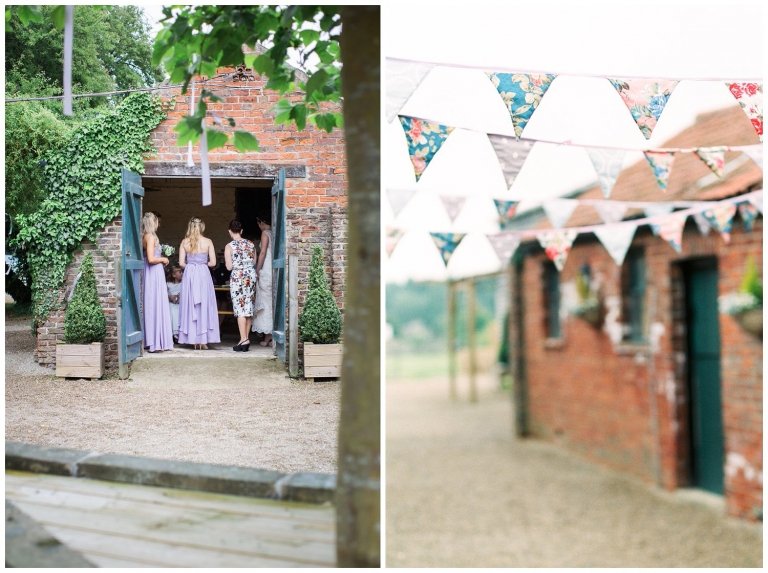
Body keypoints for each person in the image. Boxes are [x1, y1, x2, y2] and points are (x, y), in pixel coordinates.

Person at [178, 217, 220, 349]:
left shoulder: (184, 242)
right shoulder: (208, 242)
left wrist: (192, 265)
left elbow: (181, 263)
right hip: (203, 274)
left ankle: (192, 339)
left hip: (190, 274)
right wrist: (202, 264)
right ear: (202, 227)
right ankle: (203, 340)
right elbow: (213, 263)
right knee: (204, 304)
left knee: (190, 305)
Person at [141, 212, 173, 352]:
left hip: (151, 272)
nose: (158, 224)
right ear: (152, 222)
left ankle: (151, 338)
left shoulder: (145, 236)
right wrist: (163, 259)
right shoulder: (150, 237)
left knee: (151, 303)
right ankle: (155, 341)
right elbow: (151, 259)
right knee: (155, 303)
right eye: (157, 221)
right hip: (153, 272)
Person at [224, 220, 256, 352]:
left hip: (238, 276)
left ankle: (244, 339)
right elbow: (254, 261)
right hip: (250, 275)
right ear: (241, 231)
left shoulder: (229, 246)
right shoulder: (251, 244)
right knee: (248, 307)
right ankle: (244, 339)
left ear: (230, 231)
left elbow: (229, 266)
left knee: (240, 308)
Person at [252, 216, 273, 346]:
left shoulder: (265, 233)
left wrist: (257, 269)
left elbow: (263, 252)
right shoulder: (275, 232)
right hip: (273, 269)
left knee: (265, 303)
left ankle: (267, 336)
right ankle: (271, 336)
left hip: (266, 268)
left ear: (261, 222)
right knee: (271, 302)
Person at [166, 265, 183, 344]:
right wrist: (170, 297)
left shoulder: (183, 284)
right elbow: (165, 294)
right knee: (171, 309)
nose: (181, 273)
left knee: (179, 309)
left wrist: (179, 297)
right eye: (179, 272)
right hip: (171, 303)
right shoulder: (168, 284)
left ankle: (179, 333)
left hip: (180, 303)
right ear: (173, 275)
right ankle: (173, 333)